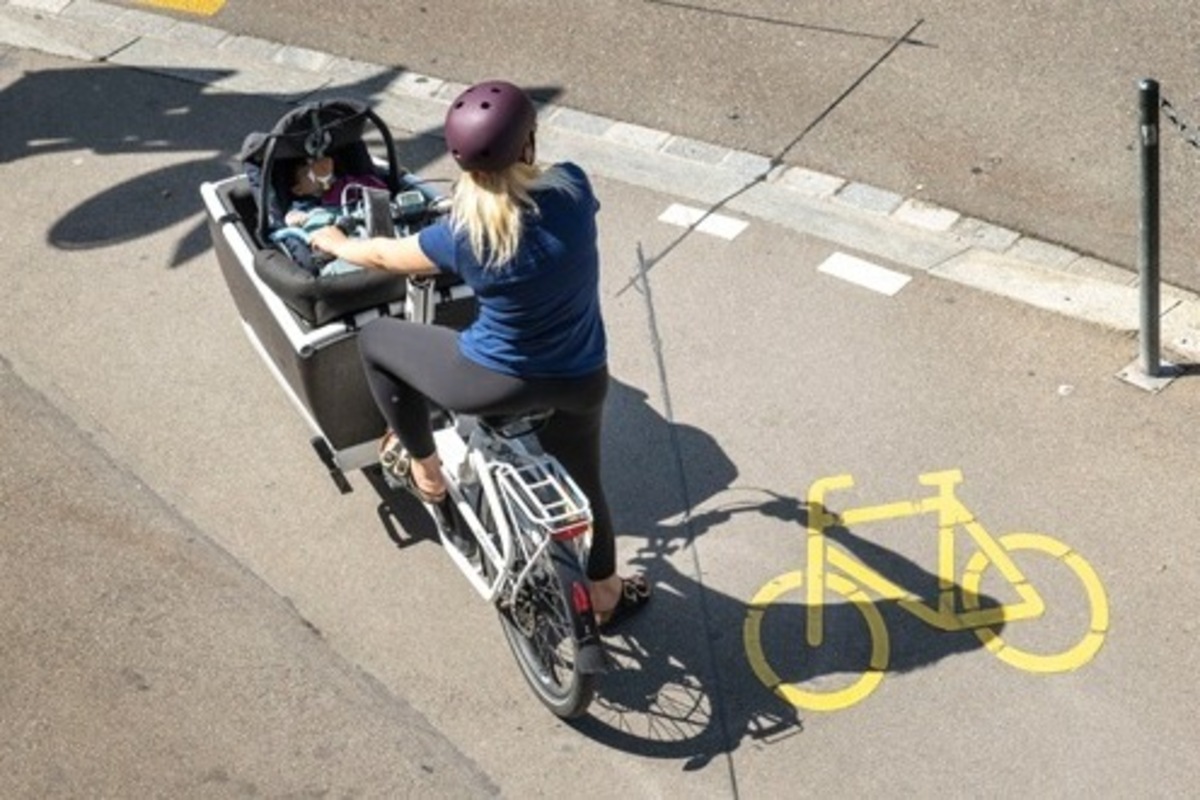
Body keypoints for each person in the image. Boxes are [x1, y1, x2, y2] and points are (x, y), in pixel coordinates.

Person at [310, 79, 650, 630]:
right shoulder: (573, 189)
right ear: (528, 145)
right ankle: (606, 592)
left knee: (377, 341)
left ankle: (425, 470)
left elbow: (385, 256)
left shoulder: (463, 235)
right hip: (582, 378)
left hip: (492, 381)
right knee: (586, 483)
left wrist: (337, 243)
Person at [272, 156, 388, 276]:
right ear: (298, 190)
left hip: (364, 231)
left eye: (313, 166)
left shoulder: (344, 187)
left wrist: (330, 179)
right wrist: (293, 218)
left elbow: (378, 189)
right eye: (307, 172)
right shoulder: (302, 207)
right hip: (333, 248)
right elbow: (291, 221)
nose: (314, 171)